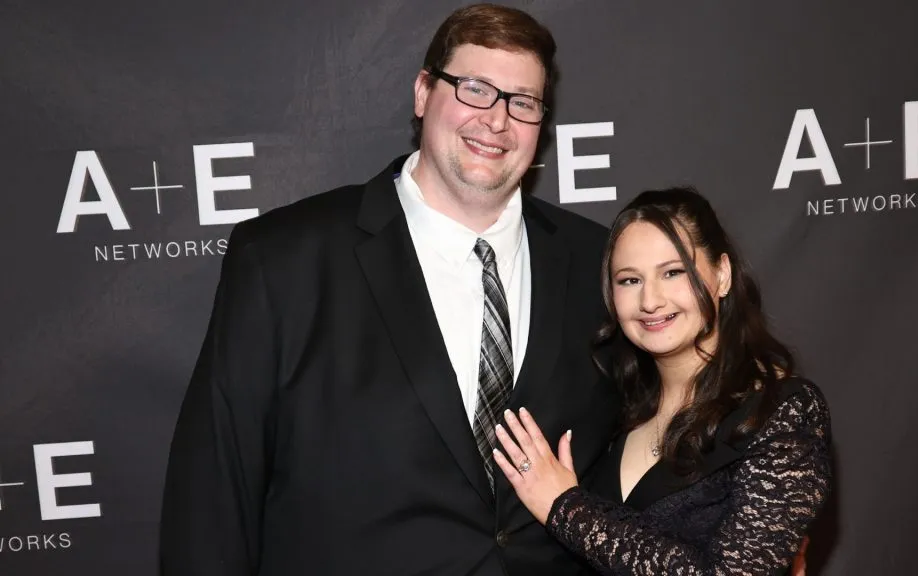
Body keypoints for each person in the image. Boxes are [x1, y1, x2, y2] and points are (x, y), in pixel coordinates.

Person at [158, 4, 620, 576]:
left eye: (522, 102)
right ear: (424, 93)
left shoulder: (604, 263)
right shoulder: (282, 259)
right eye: (475, 89)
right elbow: (212, 497)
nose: (497, 120)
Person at [492, 187, 833, 575]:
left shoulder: (784, 411)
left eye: (673, 273)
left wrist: (564, 507)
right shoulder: (617, 409)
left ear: (721, 275)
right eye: (629, 280)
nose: (650, 300)